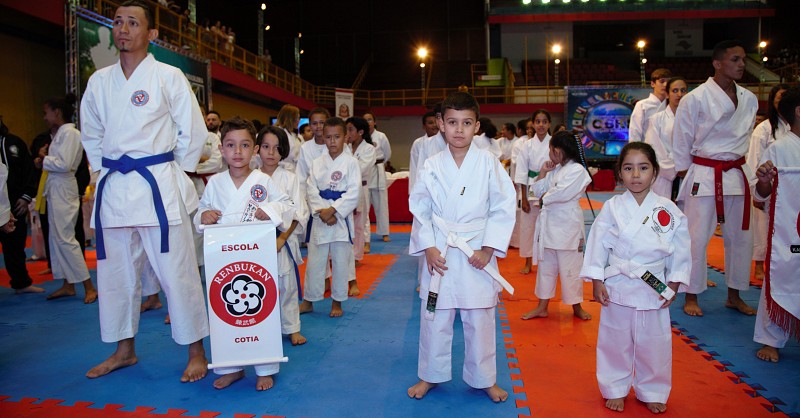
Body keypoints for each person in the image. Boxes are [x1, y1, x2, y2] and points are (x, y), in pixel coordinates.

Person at [80, 0, 211, 382]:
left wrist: (174, 171)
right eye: (118, 22)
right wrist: (99, 174)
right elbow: (92, 133)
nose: (123, 29)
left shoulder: (168, 76)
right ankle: (124, 350)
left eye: (132, 23)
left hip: (156, 185)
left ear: (151, 33)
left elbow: (193, 130)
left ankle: (196, 351)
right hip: (114, 187)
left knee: (177, 271)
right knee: (116, 274)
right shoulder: (99, 81)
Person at [408, 92, 515, 402]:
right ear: (441, 124)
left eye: (466, 123)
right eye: (452, 122)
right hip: (440, 250)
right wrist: (428, 247)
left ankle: (484, 379)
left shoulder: (489, 162)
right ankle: (430, 375)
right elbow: (420, 208)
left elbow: (503, 206)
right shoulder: (431, 164)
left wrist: (489, 249)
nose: (459, 129)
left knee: (480, 319)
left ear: (477, 126)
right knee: (434, 317)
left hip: (476, 251)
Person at [583, 142, 690, 414]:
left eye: (643, 168)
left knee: (654, 343)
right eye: (629, 168)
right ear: (620, 172)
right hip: (618, 281)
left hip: (653, 283)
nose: (636, 175)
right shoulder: (612, 207)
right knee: (614, 341)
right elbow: (597, 243)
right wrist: (596, 279)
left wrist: (674, 283)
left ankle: (652, 390)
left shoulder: (668, 209)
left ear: (654, 172)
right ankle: (615, 388)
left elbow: (680, 248)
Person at [195, 117, 295, 390]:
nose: (237, 151)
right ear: (221, 149)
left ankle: (265, 367)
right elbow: (200, 212)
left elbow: (287, 205)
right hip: (224, 258)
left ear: (254, 150)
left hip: (257, 256)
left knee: (261, 308)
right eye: (230, 145)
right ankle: (231, 367)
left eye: (245, 145)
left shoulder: (263, 180)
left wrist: (270, 210)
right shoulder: (215, 183)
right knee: (226, 310)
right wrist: (204, 215)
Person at [672, 40, 759, 317]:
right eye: (735, 59)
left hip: (737, 173)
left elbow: (746, 138)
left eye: (743, 59)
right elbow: (681, 140)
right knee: (696, 238)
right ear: (717, 63)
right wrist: (688, 172)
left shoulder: (749, 98)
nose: (742, 64)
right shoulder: (695, 98)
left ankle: (735, 294)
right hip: (706, 172)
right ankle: (691, 294)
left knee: (741, 238)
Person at [521, 130, 592, 321]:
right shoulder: (557, 169)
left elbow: (561, 194)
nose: (549, 153)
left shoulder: (577, 170)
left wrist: (544, 197)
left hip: (567, 226)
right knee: (546, 268)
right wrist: (543, 172)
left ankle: (577, 307)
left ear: (558, 151)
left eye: (550, 149)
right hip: (549, 225)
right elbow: (536, 191)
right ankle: (542, 306)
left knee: (570, 269)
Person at [751, 86, 800, 363]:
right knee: (780, 275)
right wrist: (764, 180)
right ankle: (771, 338)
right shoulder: (779, 148)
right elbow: (760, 196)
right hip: (788, 229)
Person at [299, 117, 360, 318]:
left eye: (337, 137)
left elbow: (354, 192)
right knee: (315, 262)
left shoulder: (351, 163)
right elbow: (310, 189)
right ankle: (309, 300)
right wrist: (323, 211)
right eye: (328, 137)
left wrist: (333, 210)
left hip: (340, 218)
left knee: (341, 262)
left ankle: (337, 301)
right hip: (320, 218)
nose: (332, 141)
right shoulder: (317, 163)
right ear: (322, 137)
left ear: (345, 137)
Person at [40, 95, 97, 303]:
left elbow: (66, 165)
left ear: (57, 112)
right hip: (56, 188)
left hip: (64, 188)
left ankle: (89, 286)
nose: (44, 117)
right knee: (57, 238)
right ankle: (68, 284)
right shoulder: (60, 134)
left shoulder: (72, 134)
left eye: (46, 113)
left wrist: (44, 159)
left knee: (66, 238)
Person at [258, 125, 308, 346]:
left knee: (287, 285)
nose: (271, 152)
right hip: (257, 239)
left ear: (284, 151)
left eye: (277, 148)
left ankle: (292, 328)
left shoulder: (290, 178)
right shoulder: (251, 178)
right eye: (266, 147)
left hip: (283, 238)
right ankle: (261, 327)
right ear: (257, 149)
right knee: (260, 284)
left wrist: (282, 238)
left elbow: (298, 212)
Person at [747, 84, 790, 284]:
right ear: (772, 102)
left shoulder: (794, 127)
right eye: (779, 99)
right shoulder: (764, 129)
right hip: (766, 185)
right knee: (762, 227)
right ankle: (758, 264)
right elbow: (753, 160)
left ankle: (782, 265)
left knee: (785, 230)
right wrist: (756, 190)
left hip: (790, 188)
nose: (783, 103)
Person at [0, 116, 43, 293]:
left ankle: (21, 282)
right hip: (3, 202)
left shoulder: (15, 143)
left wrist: (26, 196)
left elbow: (28, 171)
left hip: (14, 203)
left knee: (15, 245)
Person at [514, 110, 551, 275]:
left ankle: (548, 262)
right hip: (530, 188)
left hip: (549, 188)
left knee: (548, 227)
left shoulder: (554, 144)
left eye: (544, 121)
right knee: (528, 227)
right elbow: (521, 172)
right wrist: (523, 198)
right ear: (533, 124)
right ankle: (528, 261)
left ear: (549, 124)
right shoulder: (527, 145)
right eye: (538, 121)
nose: (541, 125)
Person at [345, 117, 376, 297]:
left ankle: (356, 256)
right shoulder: (345, 148)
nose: (347, 133)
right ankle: (343, 255)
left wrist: (347, 166)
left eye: (351, 129)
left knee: (359, 223)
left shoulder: (369, 149)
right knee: (345, 223)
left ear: (360, 132)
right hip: (345, 188)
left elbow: (362, 169)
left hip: (360, 187)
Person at [644, 77, 688, 200]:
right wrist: (675, 169)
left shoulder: (695, 120)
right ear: (667, 94)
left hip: (689, 174)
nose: (679, 94)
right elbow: (653, 150)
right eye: (675, 91)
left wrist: (687, 168)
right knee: (662, 207)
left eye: (683, 90)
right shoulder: (656, 119)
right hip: (664, 175)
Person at [363, 111, 392, 244]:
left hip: (378, 169)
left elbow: (387, 153)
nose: (368, 122)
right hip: (365, 172)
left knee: (381, 204)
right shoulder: (360, 137)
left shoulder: (381, 136)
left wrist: (378, 163)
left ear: (374, 122)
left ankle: (384, 232)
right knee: (364, 205)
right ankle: (364, 234)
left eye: (370, 119)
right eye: (365, 120)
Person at [629, 68, 672, 142]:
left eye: (668, 82)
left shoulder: (672, 105)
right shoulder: (642, 105)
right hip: (648, 147)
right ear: (652, 84)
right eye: (662, 81)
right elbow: (635, 132)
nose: (665, 85)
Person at [408, 111, 439, 192]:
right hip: (424, 183)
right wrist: (413, 190)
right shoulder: (418, 143)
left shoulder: (447, 141)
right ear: (424, 126)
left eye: (436, 122)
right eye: (430, 123)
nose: (434, 125)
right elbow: (414, 167)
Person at [274, 104, 302, 172]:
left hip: (293, 171)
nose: (299, 121)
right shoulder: (276, 134)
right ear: (290, 118)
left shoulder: (295, 135)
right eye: (297, 118)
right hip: (280, 171)